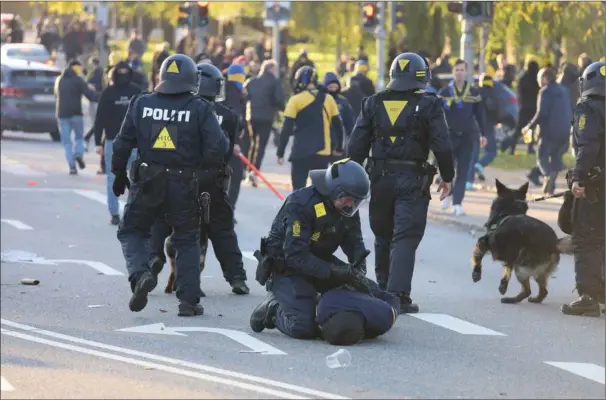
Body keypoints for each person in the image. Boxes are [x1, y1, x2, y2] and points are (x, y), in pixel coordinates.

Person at [112, 54, 228, 317]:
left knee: (131, 230)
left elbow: (122, 142)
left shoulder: (141, 103)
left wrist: (118, 173)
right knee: (187, 239)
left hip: (147, 181)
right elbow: (218, 148)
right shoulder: (200, 108)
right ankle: (188, 302)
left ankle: (140, 275)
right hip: (184, 183)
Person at [347, 52, 455, 313]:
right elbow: (442, 143)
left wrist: (350, 178)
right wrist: (448, 176)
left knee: (383, 234)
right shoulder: (429, 104)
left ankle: (383, 289)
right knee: (405, 236)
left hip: (380, 179)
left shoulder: (372, 103)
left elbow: (356, 145)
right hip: (413, 180)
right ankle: (398, 295)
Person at [148, 62, 249, 296]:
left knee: (161, 220)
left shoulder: (176, 110)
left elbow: (164, 148)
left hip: (179, 178)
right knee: (223, 229)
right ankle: (236, 277)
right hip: (212, 181)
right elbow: (226, 150)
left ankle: (153, 259)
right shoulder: (229, 117)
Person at [249, 159, 371, 339]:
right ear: (336, 191)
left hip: (319, 262)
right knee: (303, 327)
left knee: (367, 292)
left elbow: (355, 244)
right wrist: (333, 272)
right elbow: (295, 255)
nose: (351, 205)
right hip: (288, 268)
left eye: (356, 201)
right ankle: (273, 308)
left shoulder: (347, 209)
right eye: (349, 199)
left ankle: (314, 302)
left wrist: (358, 271)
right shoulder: (301, 204)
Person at [561, 61, 605, 317]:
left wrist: (578, 177)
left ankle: (588, 296)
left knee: (586, 238)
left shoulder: (588, 109)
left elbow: (588, 146)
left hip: (596, 185)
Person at [277, 66, 344, 190]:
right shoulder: (328, 99)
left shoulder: (295, 100)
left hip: (300, 153)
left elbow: (286, 129)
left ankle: (300, 210)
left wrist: (280, 153)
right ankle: (317, 210)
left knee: (298, 191)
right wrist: (339, 147)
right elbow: (338, 126)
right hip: (322, 153)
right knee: (319, 192)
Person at [93, 61, 142, 225]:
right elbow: (99, 119)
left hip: (134, 143)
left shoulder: (137, 92)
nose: (122, 75)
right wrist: (97, 142)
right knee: (112, 179)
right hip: (112, 142)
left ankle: (132, 212)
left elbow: (145, 117)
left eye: (125, 71)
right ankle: (114, 213)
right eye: (119, 71)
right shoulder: (108, 93)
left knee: (136, 179)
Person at [437, 59, 486, 216]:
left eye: (462, 70)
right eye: (456, 70)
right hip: (448, 136)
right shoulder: (444, 93)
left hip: (467, 137)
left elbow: (480, 115)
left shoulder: (474, 93)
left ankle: (457, 202)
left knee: (463, 170)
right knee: (447, 170)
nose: (459, 72)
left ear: (466, 72)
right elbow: (436, 115)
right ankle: (447, 195)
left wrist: (483, 134)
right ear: (453, 72)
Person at [521, 67, 572, 195]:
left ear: (544, 78)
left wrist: (529, 126)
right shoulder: (564, 90)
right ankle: (550, 187)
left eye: (539, 78)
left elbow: (541, 113)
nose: (538, 81)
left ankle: (548, 175)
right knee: (556, 157)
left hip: (550, 131)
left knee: (541, 156)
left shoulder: (545, 91)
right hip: (566, 130)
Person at [317, 279, 400, 346]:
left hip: (350, 285)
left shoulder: (383, 318)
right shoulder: (324, 306)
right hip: (350, 286)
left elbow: (393, 301)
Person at [244, 59, 285, 186]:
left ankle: (249, 170)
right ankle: (254, 172)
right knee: (260, 146)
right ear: (271, 70)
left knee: (252, 144)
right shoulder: (274, 82)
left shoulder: (251, 81)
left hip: (251, 116)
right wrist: (281, 109)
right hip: (266, 117)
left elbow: (244, 96)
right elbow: (279, 100)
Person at [54, 59, 99, 175]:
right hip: (76, 114)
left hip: (62, 114)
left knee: (67, 143)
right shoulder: (78, 80)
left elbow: (55, 94)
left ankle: (72, 167)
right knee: (79, 138)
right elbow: (90, 95)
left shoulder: (59, 80)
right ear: (75, 68)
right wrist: (103, 97)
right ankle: (78, 155)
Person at [224, 63, 249, 214]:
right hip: (230, 143)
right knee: (236, 176)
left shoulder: (225, 90)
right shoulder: (235, 92)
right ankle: (228, 209)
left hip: (222, 140)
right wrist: (235, 142)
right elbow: (235, 118)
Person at [321, 72, 356, 144]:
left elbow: (349, 121)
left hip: (339, 138)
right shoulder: (320, 100)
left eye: (335, 87)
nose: (333, 90)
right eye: (330, 87)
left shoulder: (343, 102)